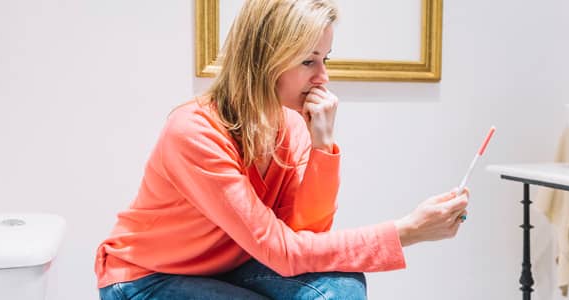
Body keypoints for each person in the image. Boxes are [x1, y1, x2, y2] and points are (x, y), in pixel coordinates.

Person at [94, 0, 469, 299]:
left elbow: (307, 236)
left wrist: (322, 145)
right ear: (263, 61)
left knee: (341, 286)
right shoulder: (194, 132)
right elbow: (285, 253)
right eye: (308, 61)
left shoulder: (290, 124)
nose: (323, 77)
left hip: (232, 264)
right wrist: (406, 231)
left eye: (325, 59)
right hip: (147, 277)